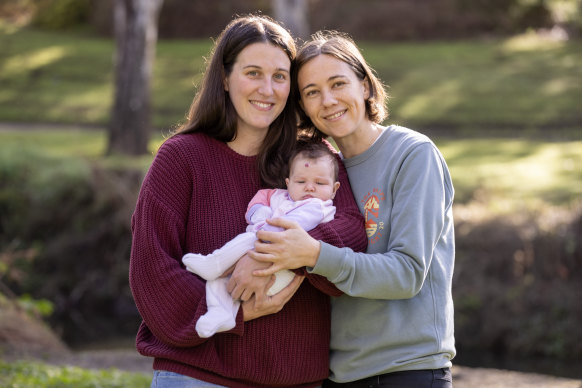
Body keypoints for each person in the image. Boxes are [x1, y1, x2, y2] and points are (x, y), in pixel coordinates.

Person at [129, 15, 367, 388]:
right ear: (224, 78)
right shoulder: (181, 158)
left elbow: (352, 232)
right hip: (198, 377)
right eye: (253, 73)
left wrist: (281, 254)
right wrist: (235, 306)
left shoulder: (311, 158)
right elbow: (152, 272)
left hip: (297, 380)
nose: (268, 90)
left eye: (280, 76)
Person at [250, 30, 456, 388]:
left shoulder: (412, 154)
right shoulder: (316, 173)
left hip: (408, 370)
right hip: (338, 375)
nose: (328, 101)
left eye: (338, 84)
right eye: (312, 92)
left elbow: (408, 273)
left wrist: (315, 254)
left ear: (364, 85)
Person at [182, 140, 341, 338]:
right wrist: (260, 212)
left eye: (320, 183)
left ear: (334, 189)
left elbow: (290, 227)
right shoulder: (282, 197)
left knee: (246, 241)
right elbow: (259, 200)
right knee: (219, 283)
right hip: (260, 257)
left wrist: (263, 229)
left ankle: (215, 263)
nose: (310, 188)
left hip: (279, 270)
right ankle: (220, 313)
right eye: (301, 182)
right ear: (288, 183)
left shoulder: (320, 208)